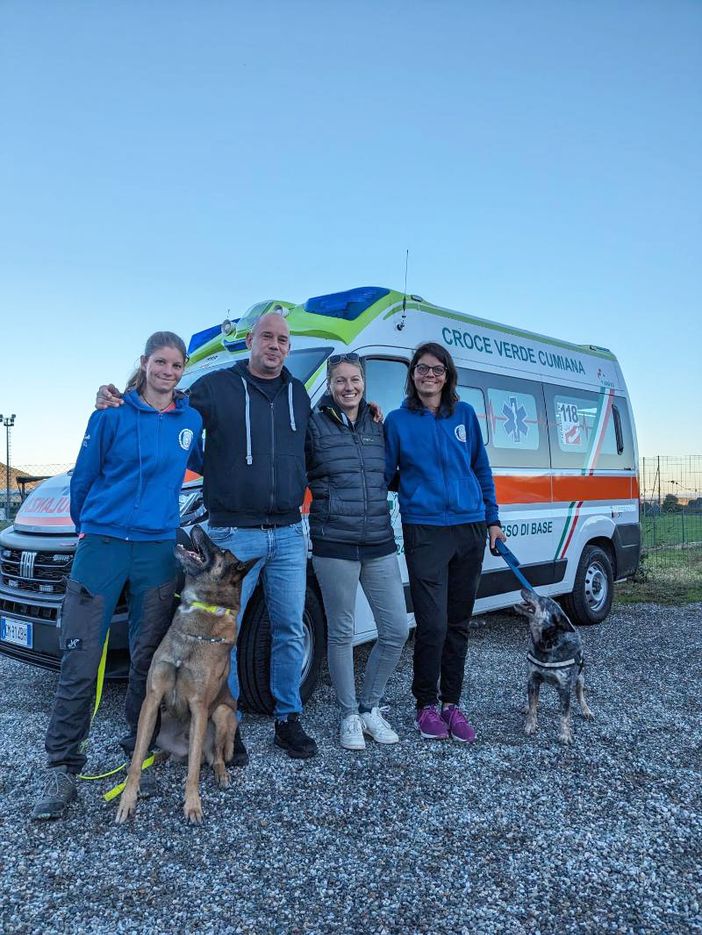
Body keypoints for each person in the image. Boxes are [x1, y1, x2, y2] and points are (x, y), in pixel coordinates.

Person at [96, 312, 318, 760]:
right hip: (233, 534)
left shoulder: (298, 392)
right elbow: (163, 404)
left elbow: (313, 446)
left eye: (282, 340)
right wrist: (115, 400)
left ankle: (288, 718)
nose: (274, 345)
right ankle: (225, 726)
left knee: (290, 627)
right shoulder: (216, 386)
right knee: (222, 636)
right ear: (250, 341)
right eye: (266, 337)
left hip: (290, 532)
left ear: (288, 348)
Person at [32, 332, 203, 820]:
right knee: (80, 659)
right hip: (103, 548)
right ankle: (61, 768)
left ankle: (139, 749)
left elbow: (211, 462)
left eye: (176, 365)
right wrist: (91, 528)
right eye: (160, 362)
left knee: (149, 659)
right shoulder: (108, 414)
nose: (168, 371)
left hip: (155, 552)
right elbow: (84, 478)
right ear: (144, 363)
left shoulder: (190, 421)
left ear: (182, 369)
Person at [384, 341, 506, 742]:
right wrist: (415, 488)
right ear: (413, 374)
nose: (429, 375)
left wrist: (493, 521)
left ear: (447, 375)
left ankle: (452, 703)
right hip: (425, 530)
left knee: (458, 623)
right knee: (432, 624)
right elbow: (387, 473)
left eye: (437, 369)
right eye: (422, 369)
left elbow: (481, 469)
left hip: (470, 529)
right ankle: (425, 706)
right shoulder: (399, 422)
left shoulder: (465, 415)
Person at [306, 353, 408, 751]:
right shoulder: (314, 425)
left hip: (379, 540)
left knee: (396, 629)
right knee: (343, 632)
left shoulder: (378, 425)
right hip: (335, 543)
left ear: (365, 382)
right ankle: (349, 714)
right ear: (329, 385)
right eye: (340, 381)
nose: (348, 387)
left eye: (355, 380)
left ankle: (370, 707)